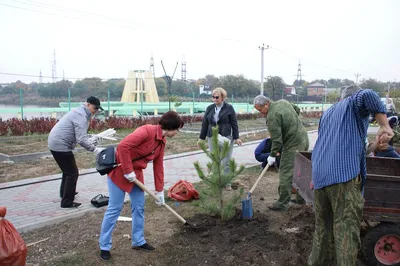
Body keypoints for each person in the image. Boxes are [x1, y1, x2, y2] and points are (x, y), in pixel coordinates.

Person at [308, 85, 394, 266]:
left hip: (321, 176)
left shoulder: (328, 113)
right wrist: (384, 126)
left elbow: (354, 151)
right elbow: (368, 94)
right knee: (345, 228)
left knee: (323, 227)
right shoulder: (353, 104)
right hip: (342, 179)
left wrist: (375, 146)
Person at [99, 111, 184, 261]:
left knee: (139, 207)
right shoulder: (146, 131)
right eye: (177, 129)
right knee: (114, 208)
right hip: (120, 171)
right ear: (171, 127)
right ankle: (104, 246)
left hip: (136, 175)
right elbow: (123, 146)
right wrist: (127, 170)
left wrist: (159, 191)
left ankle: (138, 241)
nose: (177, 133)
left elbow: (159, 166)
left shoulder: (161, 142)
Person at [253, 95, 309, 211]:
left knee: (285, 172)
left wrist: (272, 155)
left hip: (292, 145)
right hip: (303, 138)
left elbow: (276, 141)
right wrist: (291, 125)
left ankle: (282, 203)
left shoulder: (272, 117)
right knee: (300, 170)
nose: (261, 113)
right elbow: (297, 109)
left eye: (260, 109)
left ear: (267, 104)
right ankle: (301, 199)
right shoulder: (283, 102)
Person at [48, 96, 103, 208]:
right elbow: (81, 139)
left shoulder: (80, 112)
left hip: (56, 143)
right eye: (95, 108)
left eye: (98, 109)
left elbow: (80, 134)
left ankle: (64, 193)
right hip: (60, 145)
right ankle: (67, 202)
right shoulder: (81, 116)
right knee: (72, 173)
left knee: (67, 171)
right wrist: (95, 149)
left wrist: (91, 137)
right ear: (88, 104)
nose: (95, 111)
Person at [197, 87, 242, 190]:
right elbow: (205, 124)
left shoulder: (229, 108)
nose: (215, 99)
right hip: (212, 135)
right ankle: (216, 182)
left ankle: (227, 183)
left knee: (226, 160)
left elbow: (234, 123)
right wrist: (201, 138)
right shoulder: (210, 108)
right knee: (215, 160)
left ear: (223, 97)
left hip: (226, 136)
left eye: (217, 97)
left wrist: (237, 137)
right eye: (213, 97)